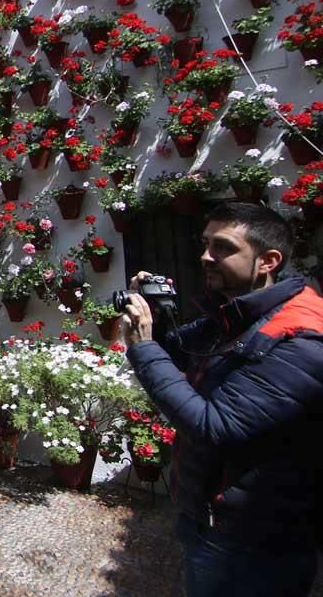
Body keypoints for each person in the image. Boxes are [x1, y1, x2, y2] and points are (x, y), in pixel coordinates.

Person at [120, 201, 323, 597]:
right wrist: (158, 313)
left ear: (268, 260)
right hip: (214, 520)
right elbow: (181, 351)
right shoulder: (243, 313)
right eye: (204, 243)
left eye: (223, 247)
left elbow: (214, 426)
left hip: (254, 542)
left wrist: (143, 347)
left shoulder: (302, 337)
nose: (205, 256)